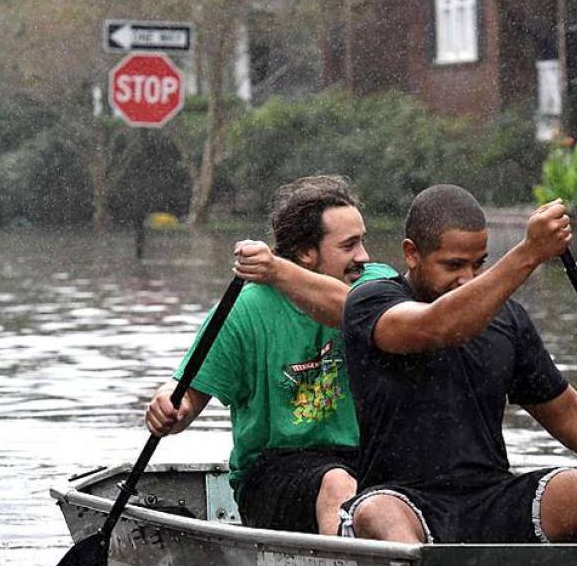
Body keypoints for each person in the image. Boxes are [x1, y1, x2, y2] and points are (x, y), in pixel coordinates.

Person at [339, 185, 577, 544]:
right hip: (401, 499)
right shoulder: (370, 302)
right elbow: (439, 326)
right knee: (378, 512)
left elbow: (570, 416)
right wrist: (530, 252)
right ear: (411, 254)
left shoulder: (508, 320)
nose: (468, 278)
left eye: (478, 263)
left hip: (489, 499)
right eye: (453, 265)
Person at [145, 175, 395, 535]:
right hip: (274, 472)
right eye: (350, 245)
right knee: (337, 485)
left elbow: (356, 311)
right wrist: (168, 408)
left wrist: (278, 270)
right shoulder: (246, 309)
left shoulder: (375, 284)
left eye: (363, 241)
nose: (364, 257)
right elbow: (186, 395)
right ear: (307, 252)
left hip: (365, 460)